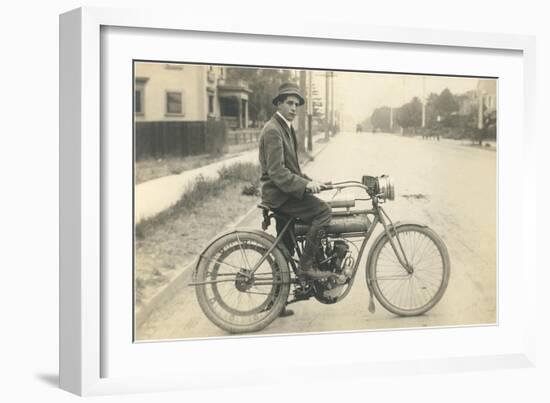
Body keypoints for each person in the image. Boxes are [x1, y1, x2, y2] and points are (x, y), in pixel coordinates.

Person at [258, 82, 333, 281]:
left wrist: (311, 181)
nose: (293, 108)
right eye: (289, 103)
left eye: (296, 105)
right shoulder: (273, 130)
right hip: (280, 195)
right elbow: (277, 172)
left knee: (285, 248)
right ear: (279, 104)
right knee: (324, 212)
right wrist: (305, 186)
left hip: (283, 193)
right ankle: (306, 268)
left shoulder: (285, 128)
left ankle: (277, 303)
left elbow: (292, 169)